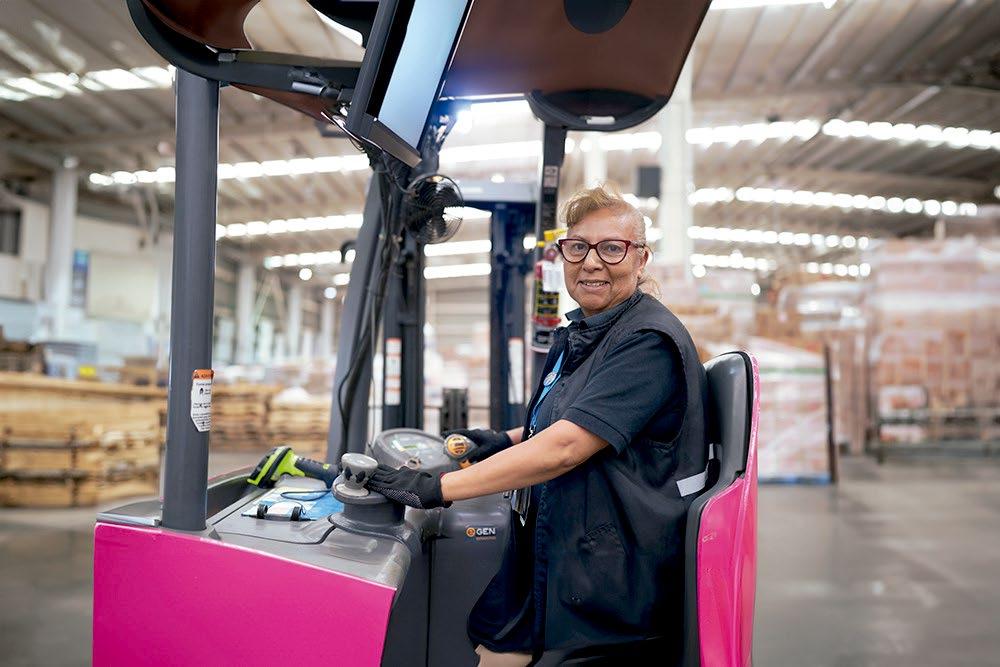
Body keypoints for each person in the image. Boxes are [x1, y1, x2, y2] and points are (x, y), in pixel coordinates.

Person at [366, 184, 708, 666]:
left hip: (610, 564)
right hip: (571, 534)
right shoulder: (588, 332)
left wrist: (439, 487)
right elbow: (569, 416)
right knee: (493, 641)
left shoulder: (646, 342)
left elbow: (566, 446)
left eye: (612, 248)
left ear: (640, 258)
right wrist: (499, 441)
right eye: (578, 247)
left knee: (498, 642)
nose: (591, 263)